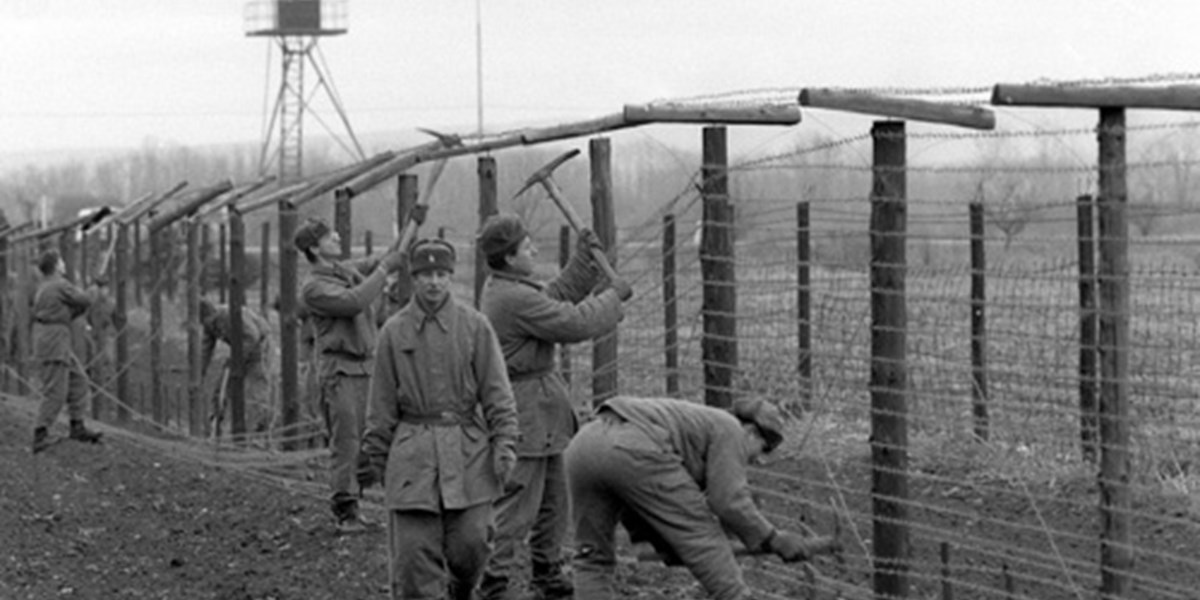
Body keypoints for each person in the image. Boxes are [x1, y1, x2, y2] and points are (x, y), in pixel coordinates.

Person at [476, 213, 632, 600]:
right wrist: (613, 298)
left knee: (554, 500)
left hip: (545, 409)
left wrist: (583, 259)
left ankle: (546, 572)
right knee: (517, 503)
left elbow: (554, 296)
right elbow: (572, 322)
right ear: (510, 258)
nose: (535, 249)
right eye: (527, 246)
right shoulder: (510, 298)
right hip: (524, 410)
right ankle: (492, 582)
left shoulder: (515, 287)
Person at [358, 238, 520, 600]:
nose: (434, 282)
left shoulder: (475, 326)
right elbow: (380, 404)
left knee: (473, 544)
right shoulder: (393, 332)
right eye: (426, 274)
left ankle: (461, 589)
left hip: (468, 452)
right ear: (413, 279)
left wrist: (504, 444)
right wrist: (378, 458)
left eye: (441, 274)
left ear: (451, 277)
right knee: (415, 557)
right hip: (412, 455)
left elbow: (498, 394)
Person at [566, 395, 834, 600]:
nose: (756, 460)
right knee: (703, 536)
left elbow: (653, 522)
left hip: (584, 445)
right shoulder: (731, 429)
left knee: (592, 558)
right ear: (751, 432)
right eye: (761, 451)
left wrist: (669, 548)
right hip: (634, 450)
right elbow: (727, 501)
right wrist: (773, 538)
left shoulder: (701, 422)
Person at [295, 217, 406, 533]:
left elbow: (381, 259)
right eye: (329, 236)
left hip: (364, 366)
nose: (337, 236)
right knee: (346, 440)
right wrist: (385, 271)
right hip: (339, 370)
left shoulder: (342, 270)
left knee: (370, 437)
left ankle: (357, 501)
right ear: (314, 248)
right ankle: (345, 510)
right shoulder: (315, 287)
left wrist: (413, 221)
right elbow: (354, 302)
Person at [30, 248, 103, 453]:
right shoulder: (59, 285)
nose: (64, 263)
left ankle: (77, 425)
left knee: (78, 380)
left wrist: (90, 293)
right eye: (61, 260)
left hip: (55, 340)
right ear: (56, 265)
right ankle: (40, 433)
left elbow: (72, 310)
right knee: (56, 391)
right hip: (54, 342)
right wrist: (95, 287)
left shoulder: (45, 287)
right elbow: (84, 300)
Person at [199, 298, 275, 438]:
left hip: (260, 344)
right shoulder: (208, 325)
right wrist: (199, 374)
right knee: (222, 384)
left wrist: (236, 358)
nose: (210, 326)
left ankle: (260, 428)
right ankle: (216, 423)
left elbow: (252, 336)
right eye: (206, 324)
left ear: (213, 313)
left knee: (257, 385)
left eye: (211, 322)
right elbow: (205, 350)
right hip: (240, 348)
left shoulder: (229, 315)